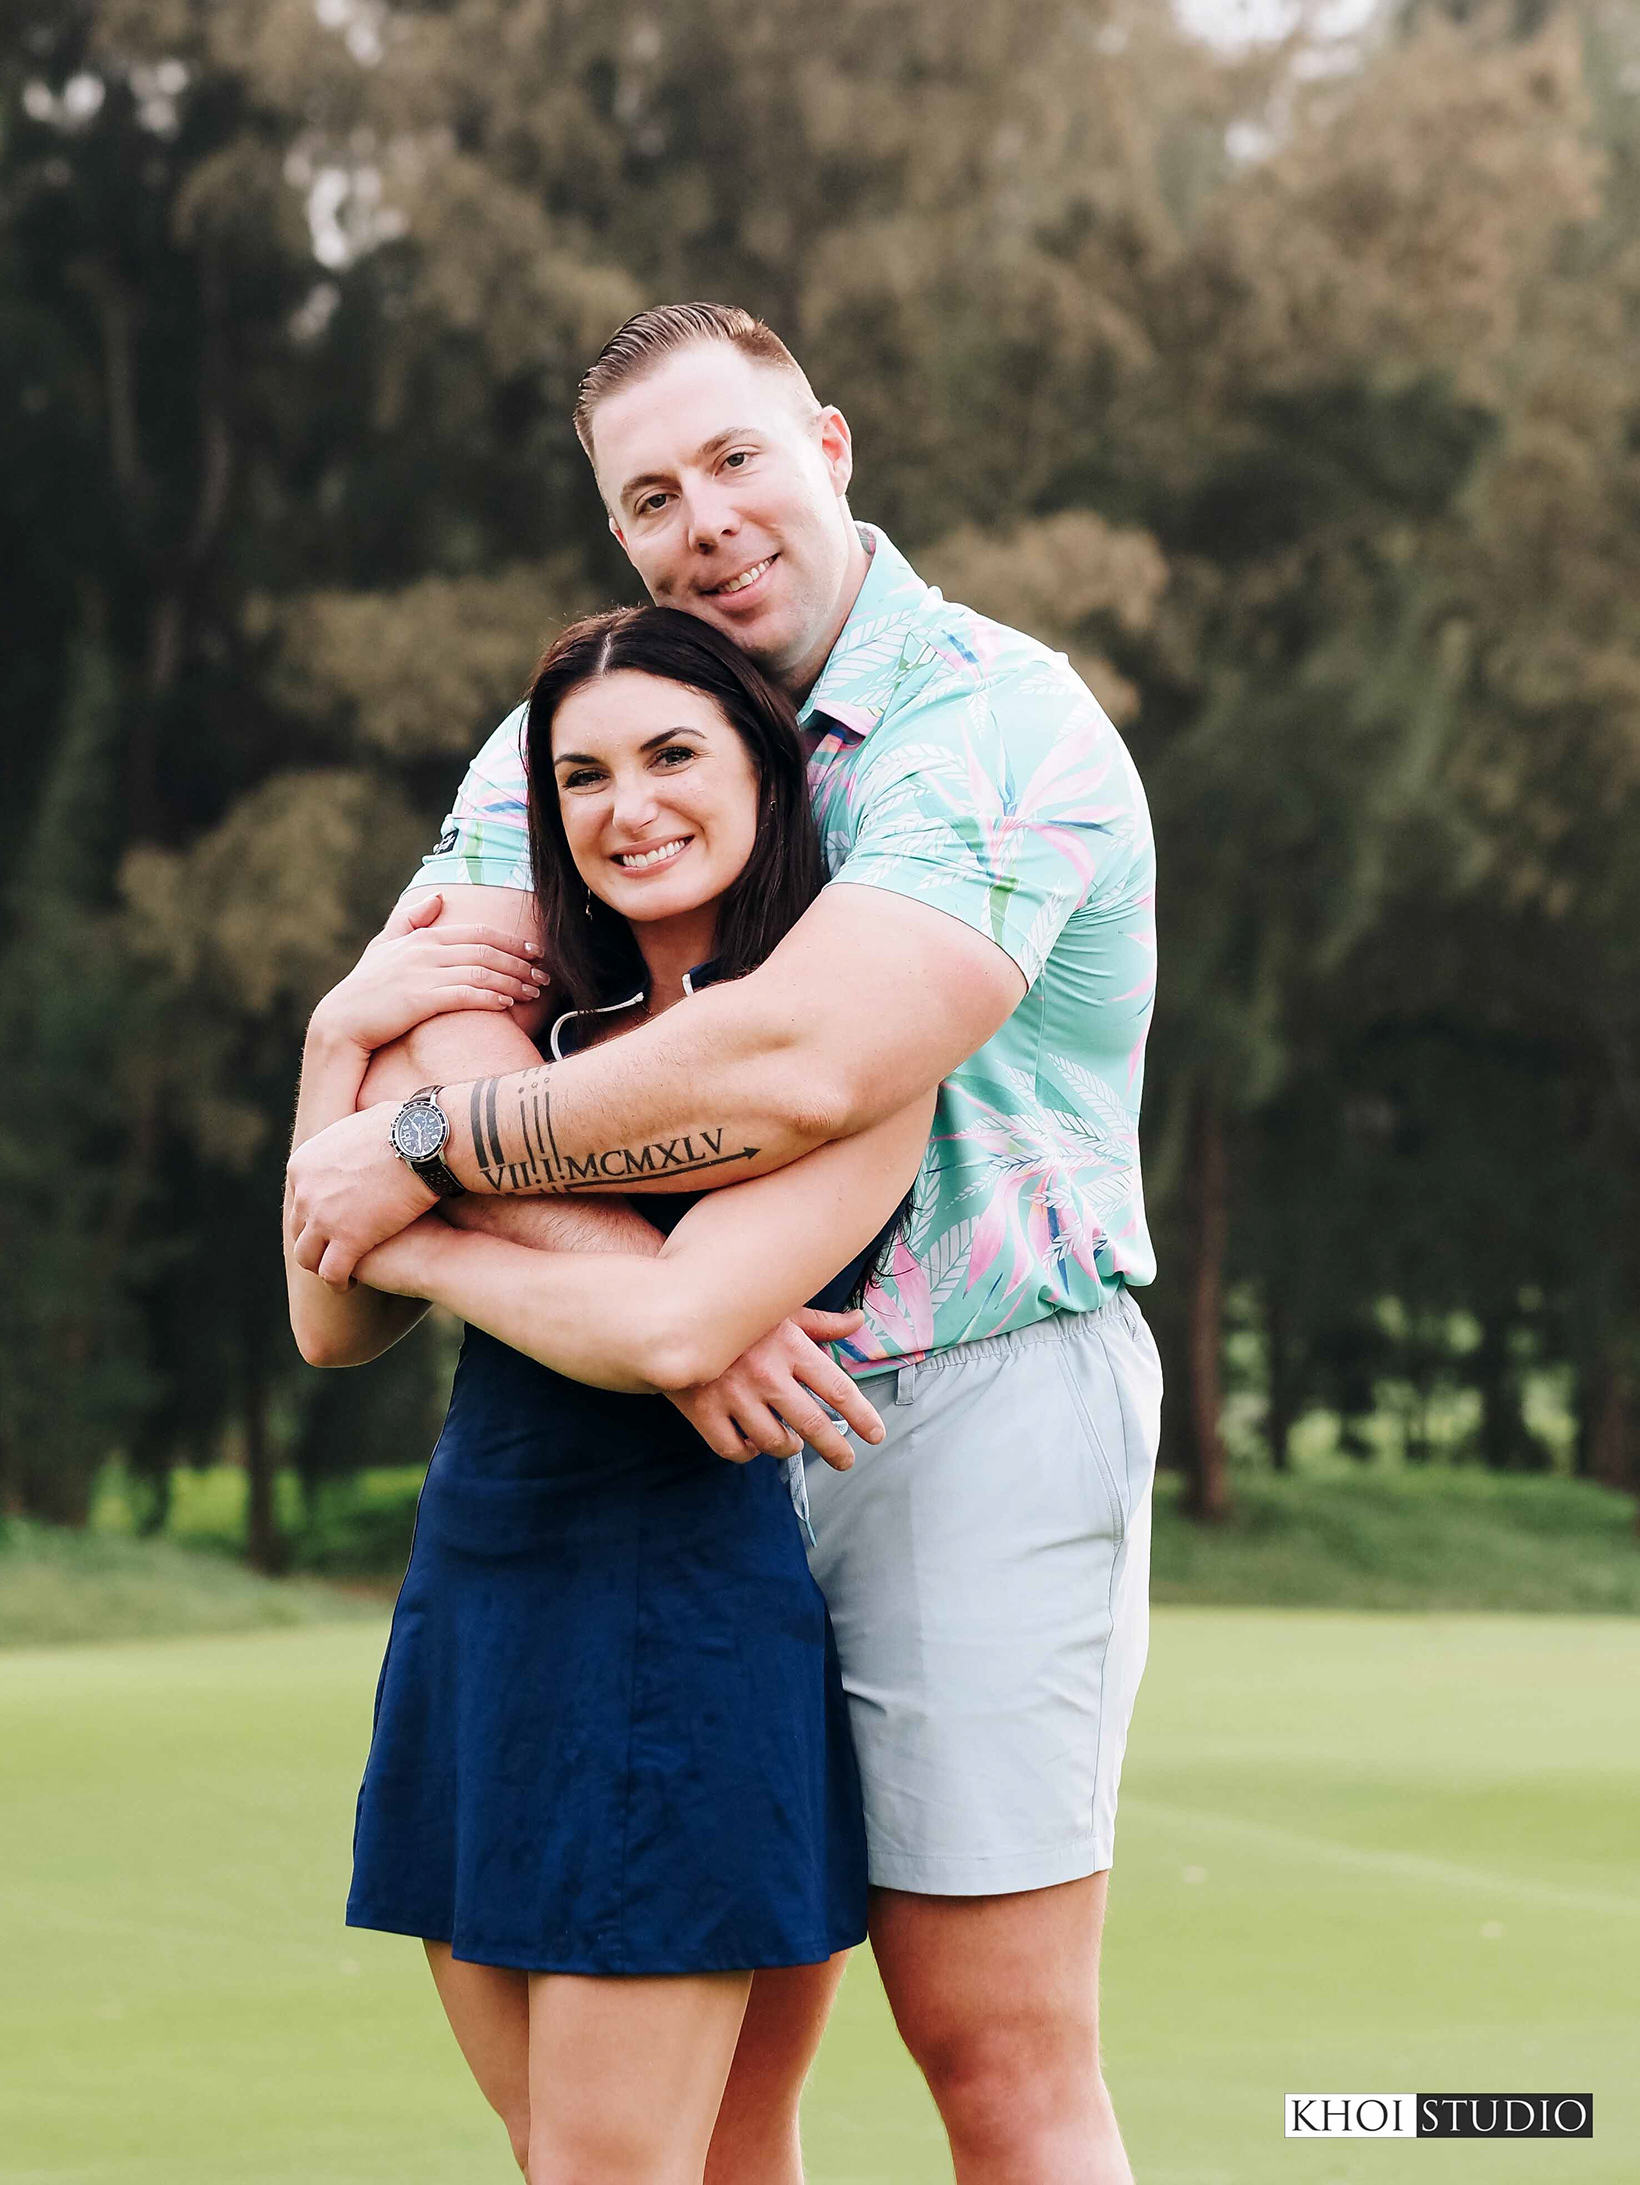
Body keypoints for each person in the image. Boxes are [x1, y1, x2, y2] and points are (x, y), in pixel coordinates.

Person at [290, 301, 1163, 2185]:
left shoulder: (998, 723)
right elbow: (444, 991)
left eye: (738, 461)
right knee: (712, 2082)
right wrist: (644, 1302)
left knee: (991, 2044)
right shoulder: (606, 718)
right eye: (652, 495)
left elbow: (807, 1060)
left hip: (961, 1405)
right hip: (663, 1447)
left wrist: (438, 1165)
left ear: (830, 448)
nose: (709, 519)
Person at [287, 602, 933, 2185]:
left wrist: (426, 1233)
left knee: (610, 2171)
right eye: (581, 776)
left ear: (766, 775)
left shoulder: (839, 1053)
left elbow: (660, 1335)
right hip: (479, 1600)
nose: (626, 806)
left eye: (670, 755)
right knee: (578, 2157)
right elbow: (323, 1316)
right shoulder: (504, 1039)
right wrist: (331, 1047)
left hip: (677, 1621)